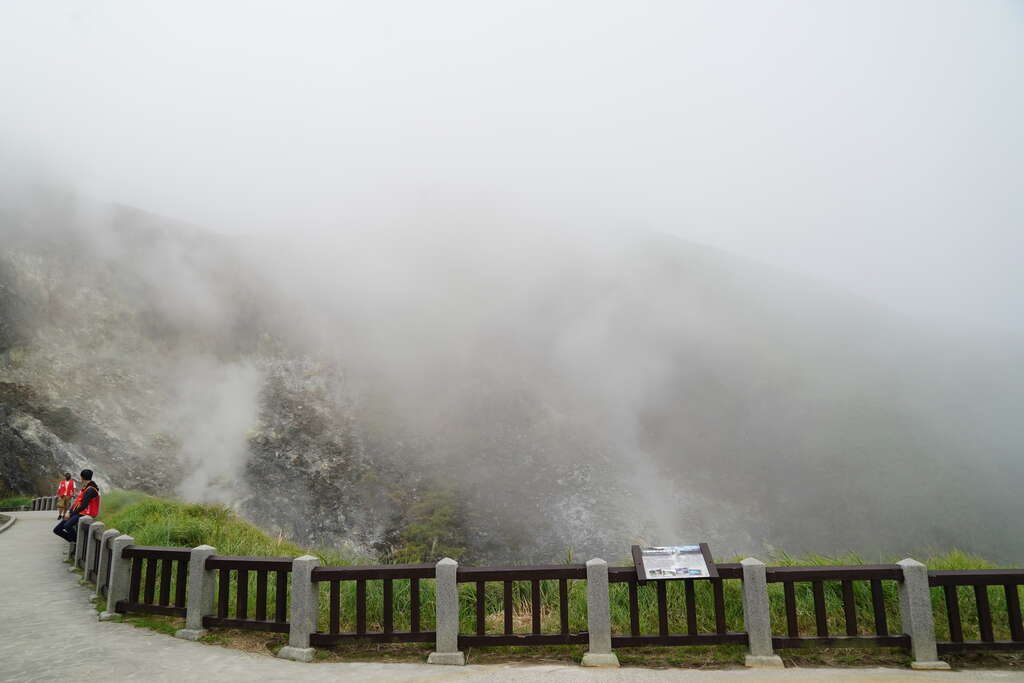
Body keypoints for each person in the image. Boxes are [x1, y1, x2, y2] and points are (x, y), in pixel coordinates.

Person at [53, 469, 100, 544]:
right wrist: (69, 511)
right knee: (57, 530)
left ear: (82, 477)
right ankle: (75, 541)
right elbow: (77, 502)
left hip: (84, 514)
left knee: (67, 525)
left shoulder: (91, 489)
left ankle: (78, 542)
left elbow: (83, 505)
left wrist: (71, 514)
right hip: (78, 512)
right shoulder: (86, 488)